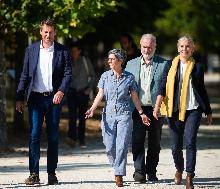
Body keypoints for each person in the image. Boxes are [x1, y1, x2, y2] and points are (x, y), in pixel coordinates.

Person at [15, 19, 72, 185]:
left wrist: (61, 91)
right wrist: (19, 98)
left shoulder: (62, 51)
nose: (48, 35)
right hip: (35, 98)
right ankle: (34, 173)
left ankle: (51, 173)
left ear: (55, 33)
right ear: (40, 32)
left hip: (54, 98)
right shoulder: (31, 50)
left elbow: (68, 74)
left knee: (53, 136)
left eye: (51, 32)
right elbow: (25, 75)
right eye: (45, 31)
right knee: (34, 136)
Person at [153, 36, 213, 189]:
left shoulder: (198, 66)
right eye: (182, 46)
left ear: (192, 49)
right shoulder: (169, 65)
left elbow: (201, 89)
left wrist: (208, 110)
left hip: (193, 109)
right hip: (174, 110)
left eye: (188, 46)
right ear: (178, 48)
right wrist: (157, 106)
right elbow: (162, 86)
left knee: (190, 142)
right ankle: (179, 169)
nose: (184, 49)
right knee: (175, 147)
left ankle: (189, 176)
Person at [85, 49, 150, 187]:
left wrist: (141, 113)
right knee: (109, 146)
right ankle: (117, 167)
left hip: (124, 114)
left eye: (112, 59)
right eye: (108, 59)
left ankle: (119, 174)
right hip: (108, 114)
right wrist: (92, 109)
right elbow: (100, 94)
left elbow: (135, 97)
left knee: (121, 145)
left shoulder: (129, 78)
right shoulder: (105, 76)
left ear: (120, 61)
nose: (109, 61)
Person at [125, 34, 167, 183]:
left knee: (154, 143)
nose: (147, 49)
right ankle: (139, 172)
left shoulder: (164, 64)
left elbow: (168, 88)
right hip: (138, 109)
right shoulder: (131, 64)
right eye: (144, 46)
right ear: (140, 46)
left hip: (157, 109)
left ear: (155, 46)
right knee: (137, 140)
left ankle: (151, 172)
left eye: (150, 47)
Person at [66, 42, 95, 148]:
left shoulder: (85, 61)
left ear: (79, 51)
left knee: (82, 117)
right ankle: (72, 138)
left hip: (83, 92)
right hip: (72, 92)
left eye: (75, 51)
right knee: (72, 116)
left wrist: (89, 89)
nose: (73, 53)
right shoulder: (67, 62)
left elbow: (92, 76)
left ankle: (82, 139)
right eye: (72, 51)